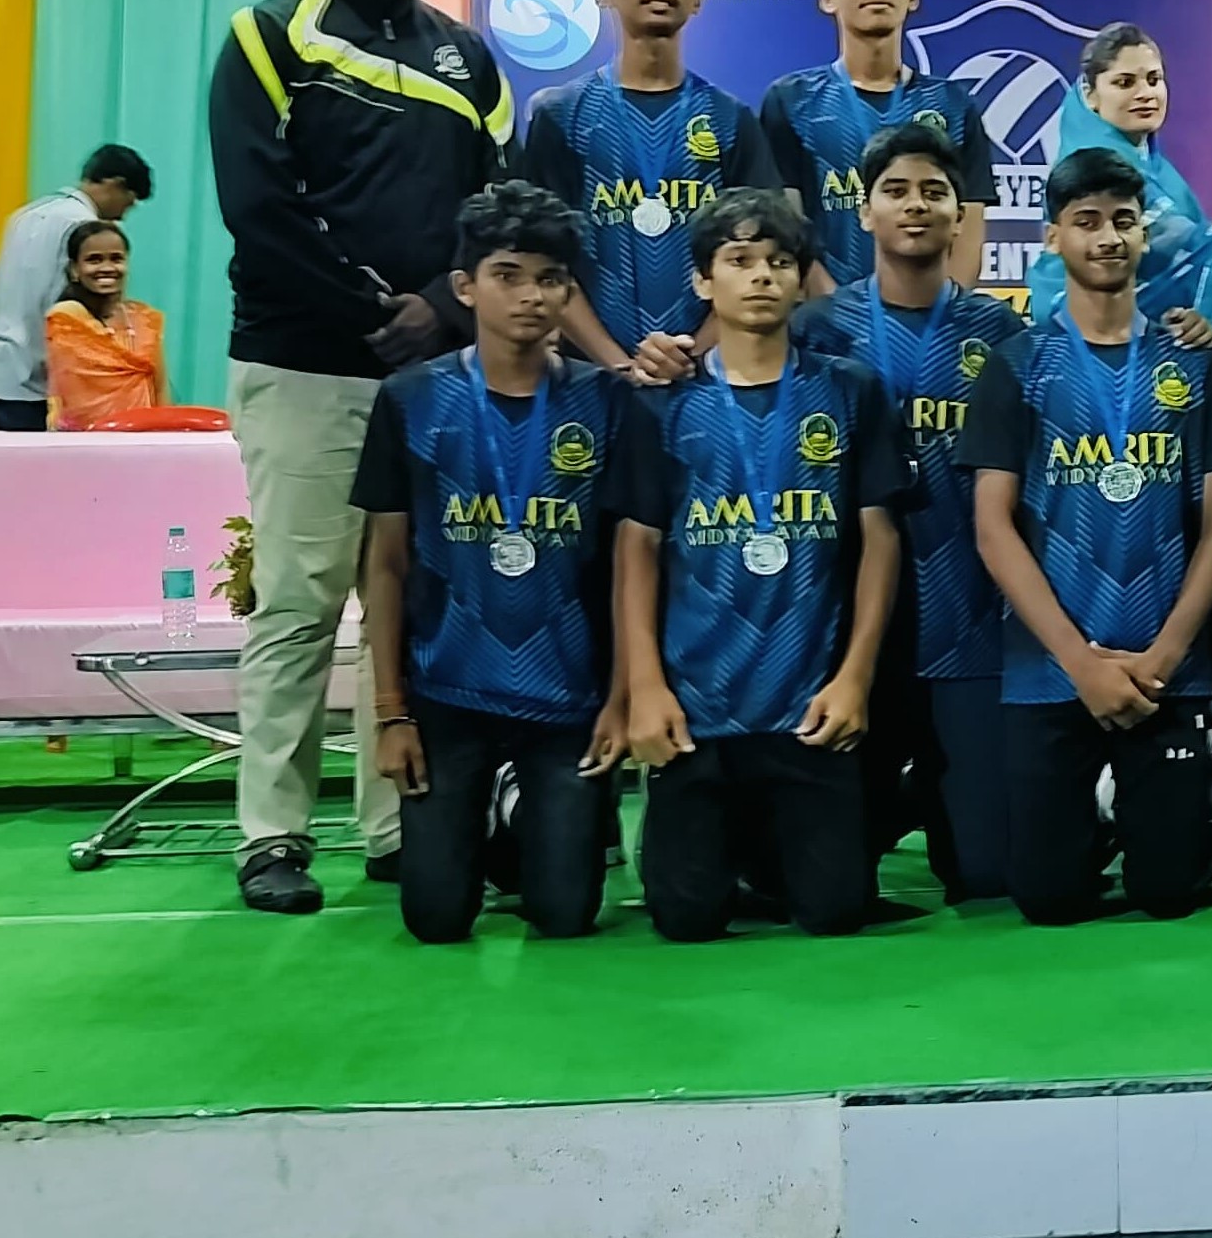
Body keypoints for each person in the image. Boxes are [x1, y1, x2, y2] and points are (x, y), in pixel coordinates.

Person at [211, 0, 511, 913]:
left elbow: (495, 208)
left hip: (433, 376)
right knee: (300, 604)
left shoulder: (466, 57)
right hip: (301, 365)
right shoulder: (265, 35)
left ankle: (395, 827)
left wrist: (444, 304)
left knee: (413, 605)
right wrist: (376, 311)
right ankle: (272, 837)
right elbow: (259, 206)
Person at [607, 187, 910, 940]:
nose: (762, 277)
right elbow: (636, 549)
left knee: (835, 912)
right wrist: (645, 688)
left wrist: (855, 679)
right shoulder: (663, 403)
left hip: (809, 709)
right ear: (703, 280)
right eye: (739, 261)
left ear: (803, 278)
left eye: (779, 261)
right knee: (686, 920)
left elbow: (879, 538)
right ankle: (723, 847)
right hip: (697, 711)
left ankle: (776, 851)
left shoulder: (850, 391)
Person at [962, 146, 1212, 923]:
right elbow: (992, 527)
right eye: (1085, 221)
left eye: (1123, 220)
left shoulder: (1194, 363)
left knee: (1168, 894)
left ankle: (1149, 816)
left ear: (1142, 234)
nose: (1106, 237)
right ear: (1052, 237)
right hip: (1052, 673)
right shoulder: (1017, 366)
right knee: (1048, 900)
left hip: (1168, 676)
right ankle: (1092, 816)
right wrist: (1079, 663)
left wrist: (1164, 657)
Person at [352, 183, 628, 942]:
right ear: (466, 287)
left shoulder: (606, 403)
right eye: (508, 275)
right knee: (435, 920)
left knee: (565, 916)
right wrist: (392, 713)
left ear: (569, 291)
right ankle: (500, 806)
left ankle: (522, 812)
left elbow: (628, 567)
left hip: (567, 696)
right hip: (448, 693)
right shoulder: (410, 399)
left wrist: (620, 698)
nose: (531, 295)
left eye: (550, 278)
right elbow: (385, 566)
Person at [794, 126, 1028, 895]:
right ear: (863, 212)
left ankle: (939, 795)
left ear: (961, 214)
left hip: (968, 626)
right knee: (823, 884)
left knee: (988, 875)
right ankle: (894, 798)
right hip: (849, 637)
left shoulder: (1002, 333)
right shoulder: (816, 332)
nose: (915, 205)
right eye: (895, 191)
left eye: (934, 191)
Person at [515, 0, 778, 381]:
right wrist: (617, 364)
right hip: (590, 378)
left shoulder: (731, 119)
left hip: (706, 377)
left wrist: (690, 357)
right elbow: (542, 258)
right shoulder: (560, 115)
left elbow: (760, 255)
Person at [759, 0, 990, 296]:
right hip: (825, 318)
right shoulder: (790, 101)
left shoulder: (953, 105)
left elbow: (969, 228)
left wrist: (942, 311)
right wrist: (837, 311)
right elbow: (787, 225)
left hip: (932, 318)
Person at [1021, 23, 1212, 340]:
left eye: (1154, 79)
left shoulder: (1152, 164)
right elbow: (1172, 240)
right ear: (1090, 95)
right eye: (1125, 82)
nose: (1145, 93)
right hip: (1079, 320)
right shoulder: (1089, 161)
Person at [0, 143, 149, 430]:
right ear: (116, 185)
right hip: (40, 381)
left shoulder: (23, 216)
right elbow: (84, 307)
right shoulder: (87, 228)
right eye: (128, 203)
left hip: (2, 368)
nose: (122, 216)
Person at [43, 222, 168, 427]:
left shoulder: (144, 319)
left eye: (116, 258)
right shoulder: (66, 317)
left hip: (142, 437)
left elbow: (160, 390)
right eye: (94, 260)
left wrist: (166, 434)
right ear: (74, 270)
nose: (107, 268)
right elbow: (73, 397)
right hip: (85, 438)